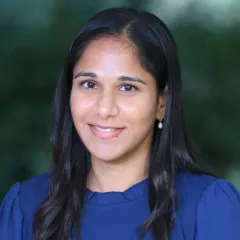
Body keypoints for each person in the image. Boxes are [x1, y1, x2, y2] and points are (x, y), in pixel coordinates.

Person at [0, 7, 240, 240]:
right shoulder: (25, 207)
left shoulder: (208, 208)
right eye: (89, 84)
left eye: (128, 88)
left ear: (162, 103)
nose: (104, 109)